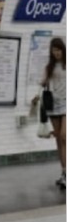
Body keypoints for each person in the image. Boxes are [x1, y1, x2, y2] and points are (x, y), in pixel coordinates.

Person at [34, 37, 66, 189]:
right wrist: (36, 96)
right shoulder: (49, 67)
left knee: (64, 136)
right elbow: (42, 83)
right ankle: (64, 172)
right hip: (53, 104)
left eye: (59, 50)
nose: (57, 53)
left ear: (63, 50)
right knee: (59, 139)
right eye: (54, 50)